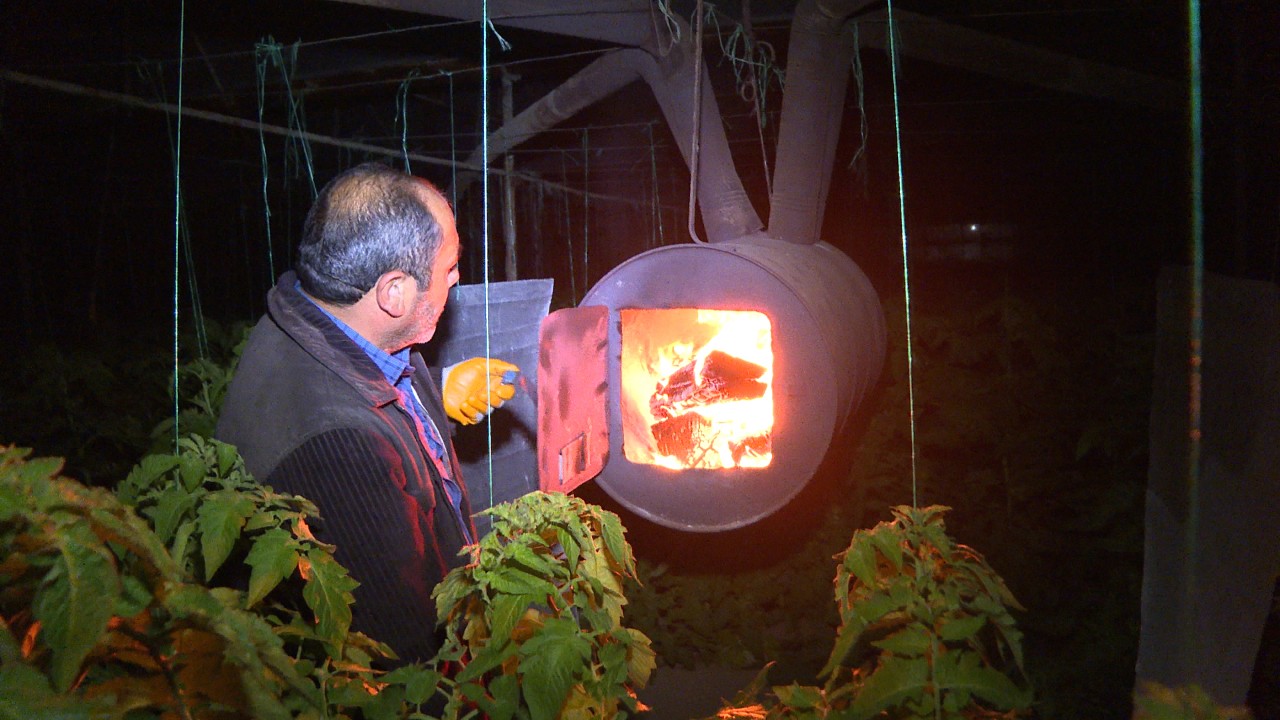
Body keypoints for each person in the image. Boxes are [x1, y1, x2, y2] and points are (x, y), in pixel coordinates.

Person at [216, 162, 518, 664]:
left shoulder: (313, 319)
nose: (458, 279)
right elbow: (403, 651)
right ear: (394, 293)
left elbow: (353, 387)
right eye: (449, 268)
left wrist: (435, 395)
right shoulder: (340, 449)